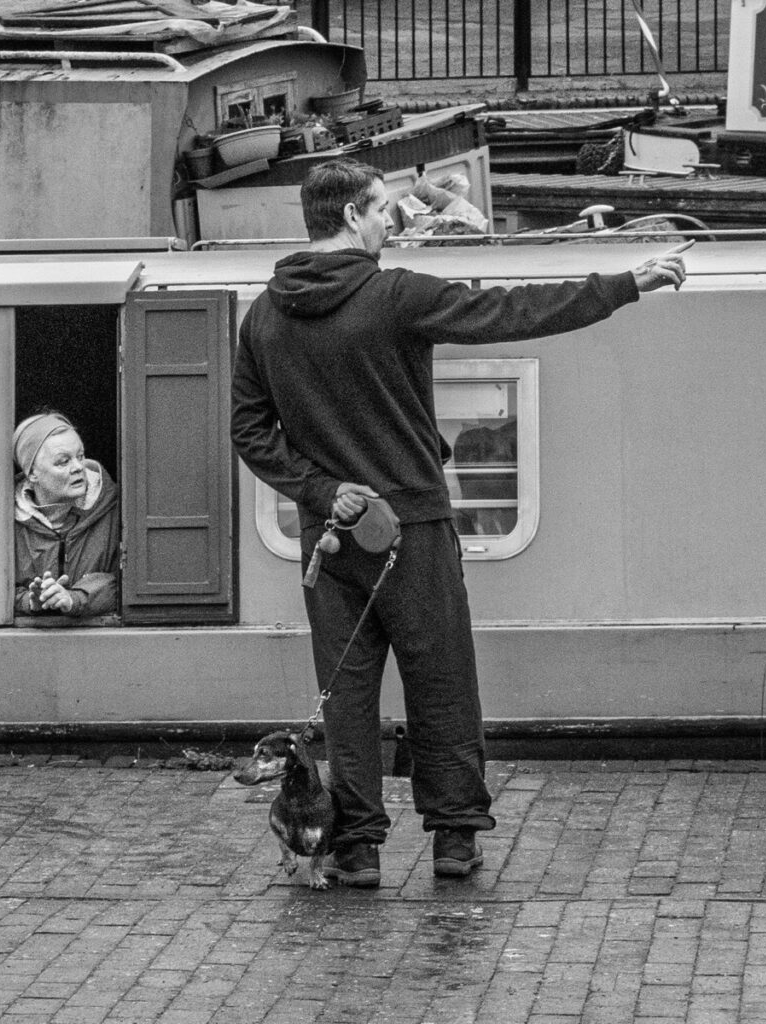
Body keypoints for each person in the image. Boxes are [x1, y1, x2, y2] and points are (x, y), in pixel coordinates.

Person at [230, 157, 686, 887]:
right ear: (350, 215)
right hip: (411, 530)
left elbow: (250, 432)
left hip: (332, 538)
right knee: (441, 682)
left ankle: (356, 849)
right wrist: (625, 284)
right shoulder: (395, 295)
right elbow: (511, 310)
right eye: (381, 210)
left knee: (347, 697)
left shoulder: (263, 316)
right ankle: (453, 838)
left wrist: (320, 489)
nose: (390, 222)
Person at [12, 411, 119, 618]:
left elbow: (125, 582)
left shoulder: (114, 509)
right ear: (32, 473)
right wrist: (32, 601)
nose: (78, 467)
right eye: (63, 461)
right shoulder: (6, 521)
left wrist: (74, 599)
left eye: (80, 456)